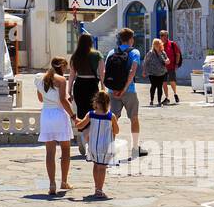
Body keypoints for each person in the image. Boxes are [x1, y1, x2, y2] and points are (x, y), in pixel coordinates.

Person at [36, 57, 79, 197]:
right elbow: (62, 100)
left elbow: (41, 99)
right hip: (59, 114)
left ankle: (52, 184)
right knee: (65, 149)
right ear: (62, 66)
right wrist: (73, 116)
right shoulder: (61, 80)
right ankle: (64, 181)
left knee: (50, 152)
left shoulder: (40, 79)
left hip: (46, 114)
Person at [103, 27, 146, 158]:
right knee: (134, 118)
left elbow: (106, 72)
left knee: (112, 119)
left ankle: (109, 148)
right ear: (131, 39)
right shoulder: (135, 52)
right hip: (129, 91)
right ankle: (134, 148)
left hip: (112, 91)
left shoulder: (111, 52)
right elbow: (132, 72)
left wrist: (113, 89)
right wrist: (124, 89)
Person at [78, 90, 120, 200]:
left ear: (96, 102)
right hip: (105, 145)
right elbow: (116, 131)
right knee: (102, 168)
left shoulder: (90, 114)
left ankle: (97, 188)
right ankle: (99, 190)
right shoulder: (111, 116)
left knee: (96, 165)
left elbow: (80, 125)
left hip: (93, 145)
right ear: (108, 103)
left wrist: (74, 118)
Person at [68, 31, 102, 157]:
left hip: (79, 85)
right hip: (92, 85)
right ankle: (89, 141)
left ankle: (83, 138)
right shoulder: (97, 55)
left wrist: (69, 90)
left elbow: (72, 75)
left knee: (82, 113)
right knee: (93, 113)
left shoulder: (75, 55)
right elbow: (102, 73)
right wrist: (103, 88)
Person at [143, 39, 168, 107]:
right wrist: (144, 71)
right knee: (153, 86)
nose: (158, 46)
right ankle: (151, 100)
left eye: (159, 44)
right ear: (154, 45)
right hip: (152, 73)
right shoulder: (150, 53)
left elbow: (167, 59)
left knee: (159, 86)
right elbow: (145, 62)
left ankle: (159, 101)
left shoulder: (163, 52)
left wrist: (167, 61)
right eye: (157, 44)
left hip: (161, 72)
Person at [159, 29, 181, 104]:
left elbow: (177, 54)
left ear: (167, 36)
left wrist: (177, 64)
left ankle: (175, 94)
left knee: (172, 81)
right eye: (161, 36)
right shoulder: (159, 45)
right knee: (164, 83)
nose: (162, 38)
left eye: (164, 36)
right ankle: (167, 98)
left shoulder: (172, 44)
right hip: (162, 67)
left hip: (171, 66)